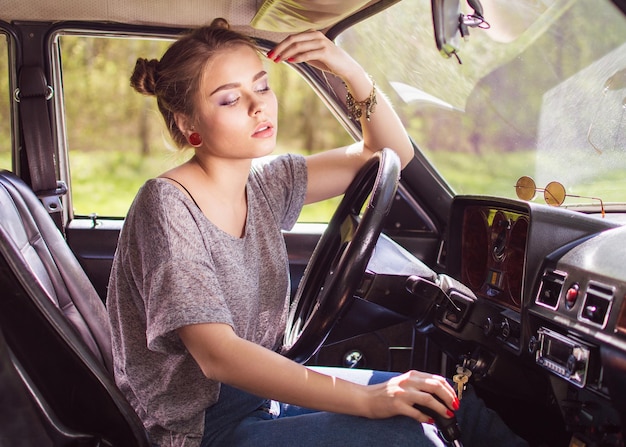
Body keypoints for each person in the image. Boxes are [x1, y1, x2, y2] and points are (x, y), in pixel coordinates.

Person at [107, 18, 529, 447]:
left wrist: (349, 70)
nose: (259, 107)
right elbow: (218, 356)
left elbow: (391, 154)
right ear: (187, 124)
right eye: (231, 99)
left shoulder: (265, 185)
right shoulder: (165, 206)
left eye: (262, 86)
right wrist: (368, 400)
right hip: (202, 428)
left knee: (443, 398)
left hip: (258, 397)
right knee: (411, 435)